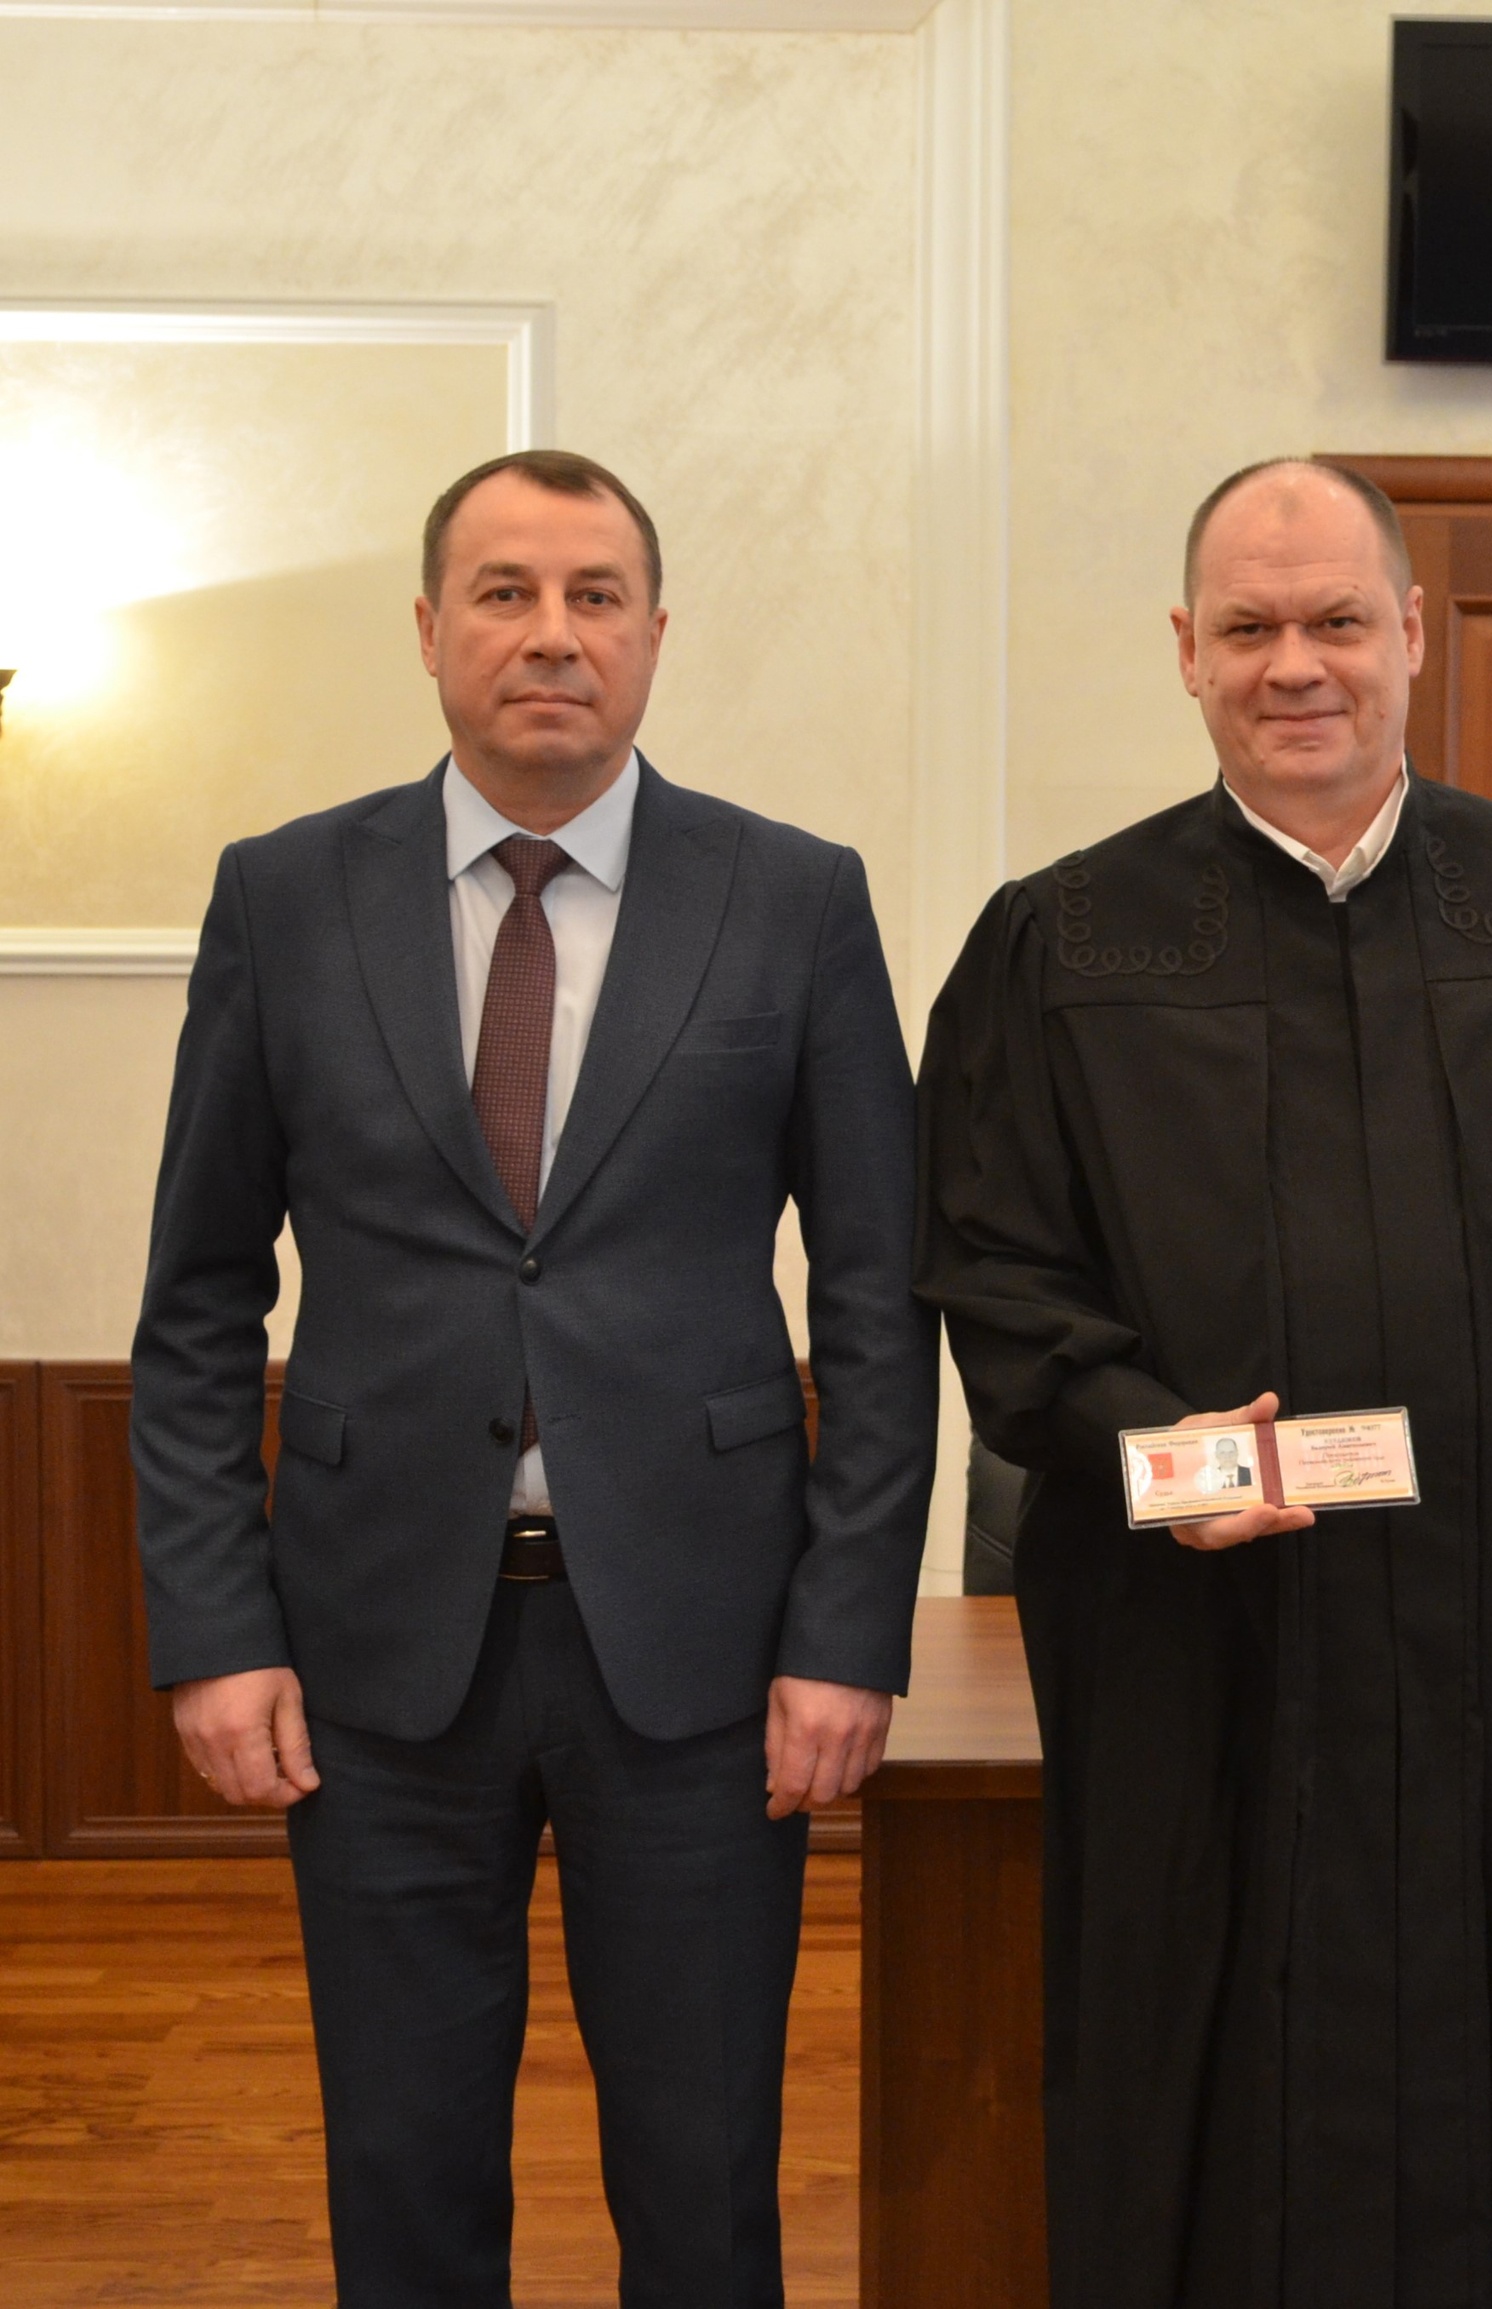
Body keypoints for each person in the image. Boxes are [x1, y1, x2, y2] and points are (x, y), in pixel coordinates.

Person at [916, 458, 1492, 2308]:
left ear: (1413, 633)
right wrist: (1170, 1454)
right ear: (1186, 649)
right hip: (1201, 1654)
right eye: (1249, 628)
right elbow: (995, 1278)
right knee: (1201, 2074)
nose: (1294, 664)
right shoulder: (1065, 938)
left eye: (1335, 622)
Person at [129, 449, 937, 2308]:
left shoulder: (793, 896)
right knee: (402, 2171)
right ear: (431, 629)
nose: (551, 635)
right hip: (374, 1652)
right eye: (505, 593)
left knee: (705, 2175)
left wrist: (848, 1633)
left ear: (655, 633)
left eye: (594, 596)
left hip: (707, 1652)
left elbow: (880, 1304)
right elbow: (197, 1301)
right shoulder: (285, 893)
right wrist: (214, 1626)